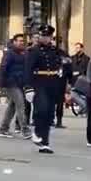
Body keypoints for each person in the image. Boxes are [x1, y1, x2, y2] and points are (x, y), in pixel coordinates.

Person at [26, 24, 65, 154]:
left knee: (49, 113)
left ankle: (45, 142)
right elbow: (27, 70)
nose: (46, 39)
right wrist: (28, 88)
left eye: (48, 36)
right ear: (40, 36)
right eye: (43, 36)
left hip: (52, 83)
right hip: (39, 83)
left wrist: (61, 73)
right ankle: (37, 131)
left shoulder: (55, 51)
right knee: (41, 109)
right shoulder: (34, 51)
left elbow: (62, 63)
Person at [0, 34, 31, 138]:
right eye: (19, 41)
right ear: (14, 42)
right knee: (21, 105)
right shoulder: (9, 54)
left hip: (19, 84)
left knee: (12, 106)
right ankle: (24, 129)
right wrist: (1, 83)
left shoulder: (24, 54)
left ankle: (3, 129)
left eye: (22, 41)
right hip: (10, 83)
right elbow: (3, 68)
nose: (21, 43)